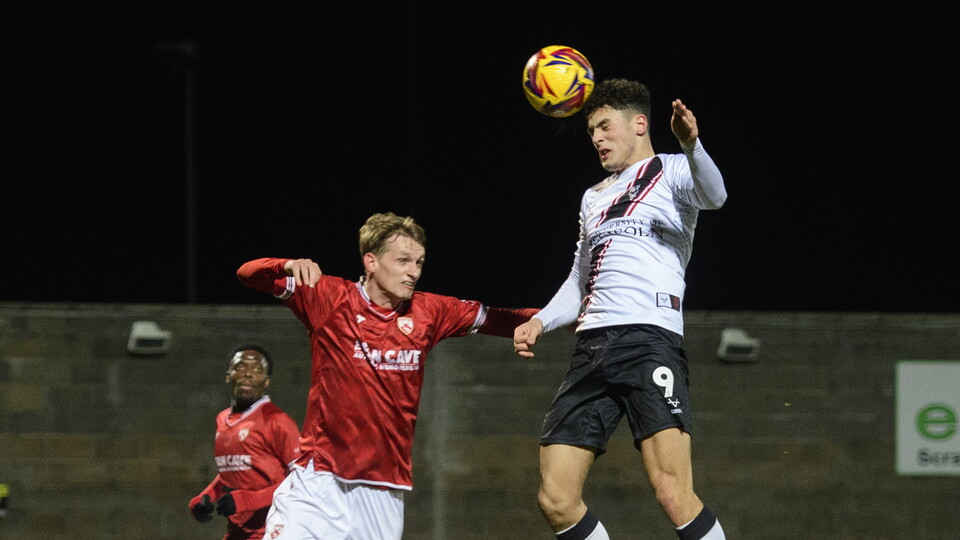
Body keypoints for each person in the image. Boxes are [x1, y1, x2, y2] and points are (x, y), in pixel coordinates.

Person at [513, 79, 728, 540]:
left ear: (639, 124)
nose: (597, 139)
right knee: (556, 497)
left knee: (673, 493)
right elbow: (578, 278)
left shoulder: (671, 170)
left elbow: (716, 196)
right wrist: (539, 321)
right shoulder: (592, 197)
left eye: (604, 127)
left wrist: (692, 144)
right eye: (591, 131)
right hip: (591, 348)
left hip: (649, 342)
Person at [236, 212, 538, 540]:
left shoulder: (430, 311)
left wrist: (562, 318)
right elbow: (247, 275)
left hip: (384, 492)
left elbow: (501, 319)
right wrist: (285, 264)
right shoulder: (328, 296)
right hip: (319, 483)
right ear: (371, 261)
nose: (414, 272)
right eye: (404, 261)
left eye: (419, 263)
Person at [189, 344, 301, 540]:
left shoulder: (277, 421)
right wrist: (206, 496)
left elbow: (302, 481)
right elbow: (232, 471)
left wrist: (250, 500)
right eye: (240, 367)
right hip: (237, 533)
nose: (247, 374)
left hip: (274, 531)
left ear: (266, 381)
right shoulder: (222, 419)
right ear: (228, 375)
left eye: (257, 370)